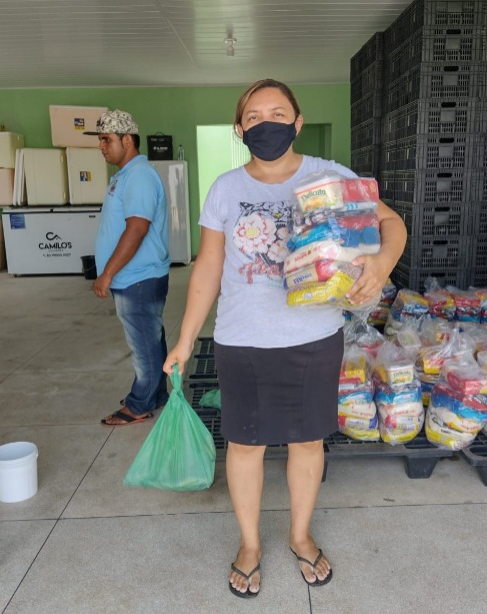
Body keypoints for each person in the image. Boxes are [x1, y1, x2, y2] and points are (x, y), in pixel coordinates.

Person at [163, 79, 407, 597]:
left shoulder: (329, 176)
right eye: (253, 116)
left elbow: (392, 224)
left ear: (297, 122)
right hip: (242, 339)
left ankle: (299, 535)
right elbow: (208, 267)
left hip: (313, 336)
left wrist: (381, 266)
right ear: (240, 128)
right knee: (245, 444)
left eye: (278, 113)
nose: (266, 123)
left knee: (306, 440)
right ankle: (250, 544)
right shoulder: (226, 189)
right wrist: (185, 339)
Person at [85, 110, 171, 426]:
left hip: (139, 278)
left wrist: (107, 273)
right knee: (151, 339)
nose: (101, 147)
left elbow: (136, 228)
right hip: (136, 277)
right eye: (100, 140)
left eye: (106, 140)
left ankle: (140, 404)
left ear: (127, 139)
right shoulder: (125, 175)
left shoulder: (139, 176)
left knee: (143, 345)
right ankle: (156, 393)